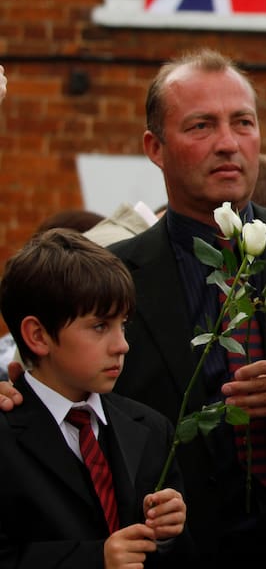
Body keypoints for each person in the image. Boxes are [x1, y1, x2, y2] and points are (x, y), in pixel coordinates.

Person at [1, 49, 266, 569]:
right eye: (201, 126)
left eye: (242, 123)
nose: (228, 143)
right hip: (180, 553)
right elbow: (62, 398)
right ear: (154, 148)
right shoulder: (111, 279)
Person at [0, 229, 190, 567]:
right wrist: (95, 559)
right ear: (38, 336)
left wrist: (169, 532)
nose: (122, 345)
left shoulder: (150, 428)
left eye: (123, 324)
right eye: (100, 326)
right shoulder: (6, 433)